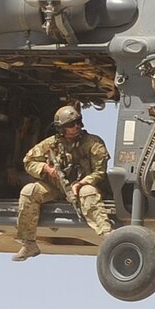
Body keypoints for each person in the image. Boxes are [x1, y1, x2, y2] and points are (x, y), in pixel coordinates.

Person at [12, 104, 112, 260]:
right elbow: (29, 161)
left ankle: (108, 236)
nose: (76, 126)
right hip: (55, 187)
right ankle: (29, 243)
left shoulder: (93, 143)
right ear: (62, 128)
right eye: (71, 125)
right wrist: (46, 168)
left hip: (83, 187)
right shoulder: (51, 144)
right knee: (29, 191)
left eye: (78, 122)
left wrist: (82, 183)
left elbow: (100, 172)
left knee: (89, 193)